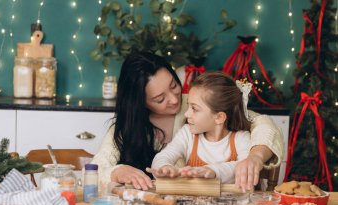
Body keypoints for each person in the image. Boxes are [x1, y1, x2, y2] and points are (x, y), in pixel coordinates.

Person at [92, 51, 284, 192]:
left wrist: (255, 157)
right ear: (139, 103)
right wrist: (117, 171)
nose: (175, 100)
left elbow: (262, 123)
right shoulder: (127, 127)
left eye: (174, 85)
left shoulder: (197, 102)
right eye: (160, 99)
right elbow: (95, 169)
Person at [148, 71, 252, 183]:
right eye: (188, 106)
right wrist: (165, 168)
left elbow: (244, 167)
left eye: (194, 109)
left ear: (219, 117)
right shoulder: (187, 134)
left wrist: (212, 171)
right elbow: (165, 155)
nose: (186, 114)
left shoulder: (241, 138)